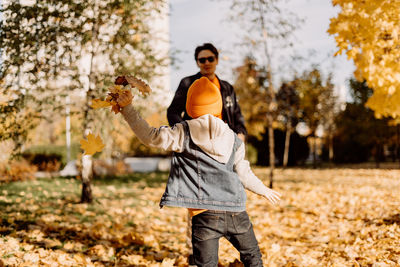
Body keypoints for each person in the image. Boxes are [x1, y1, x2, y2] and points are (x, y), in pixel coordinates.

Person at [117, 76, 281, 266]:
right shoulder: (234, 139)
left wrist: (127, 109)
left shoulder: (182, 132)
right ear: (218, 107)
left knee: (206, 264)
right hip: (236, 211)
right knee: (253, 256)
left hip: (204, 215)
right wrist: (264, 190)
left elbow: (150, 136)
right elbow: (244, 174)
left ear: (190, 107)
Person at [167, 43, 247, 142]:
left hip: (224, 141)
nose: (207, 63)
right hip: (197, 142)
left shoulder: (227, 88)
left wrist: (240, 133)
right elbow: (172, 112)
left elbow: (237, 114)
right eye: (202, 60)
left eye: (211, 59)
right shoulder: (187, 84)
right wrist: (186, 132)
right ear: (197, 63)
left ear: (217, 60)